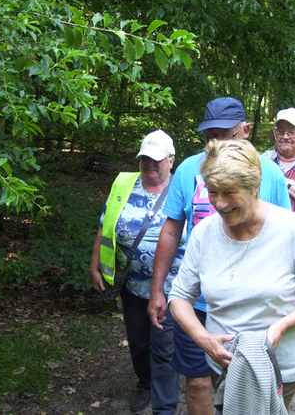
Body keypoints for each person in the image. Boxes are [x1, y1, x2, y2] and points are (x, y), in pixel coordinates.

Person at [168, 140, 295, 412]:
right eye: (213, 193)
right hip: (222, 365)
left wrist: (282, 325)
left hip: (279, 369)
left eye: (229, 193)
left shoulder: (294, 230)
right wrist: (203, 339)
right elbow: (179, 296)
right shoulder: (205, 233)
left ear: (255, 187)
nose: (220, 204)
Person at [148, 97, 291, 415]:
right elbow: (170, 231)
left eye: (226, 134)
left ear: (246, 131)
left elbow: (285, 236)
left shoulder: (270, 174)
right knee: (197, 382)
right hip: (196, 302)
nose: (218, 142)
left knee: (251, 383)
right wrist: (158, 290)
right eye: (211, 135)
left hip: (253, 301)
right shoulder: (188, 169)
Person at [89, 130, 183, 414]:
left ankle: (164, 400)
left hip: (171, 287)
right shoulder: (124, 184)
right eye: (144, 158)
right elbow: (105, 226)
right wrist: (95, 266)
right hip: (132, 285)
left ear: (170, 161)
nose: (149, 164)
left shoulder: (184, 188)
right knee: (139, 343)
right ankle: (145, 384)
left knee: (164, 346)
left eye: (156, 159)